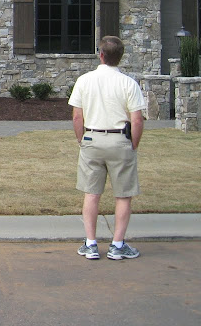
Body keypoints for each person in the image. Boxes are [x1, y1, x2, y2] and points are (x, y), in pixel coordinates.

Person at [68, 35, 146, 260]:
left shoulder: (84, 80)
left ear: (100, 54)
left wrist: (81, 140)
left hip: (92, 139)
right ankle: (117, 245)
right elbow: (137, 120)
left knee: (91, 193)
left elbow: (77, 117)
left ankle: (91, 244)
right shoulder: (128, 83)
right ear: (120, 57)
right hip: (120, 140)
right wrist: (134, 144)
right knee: (123, 195)